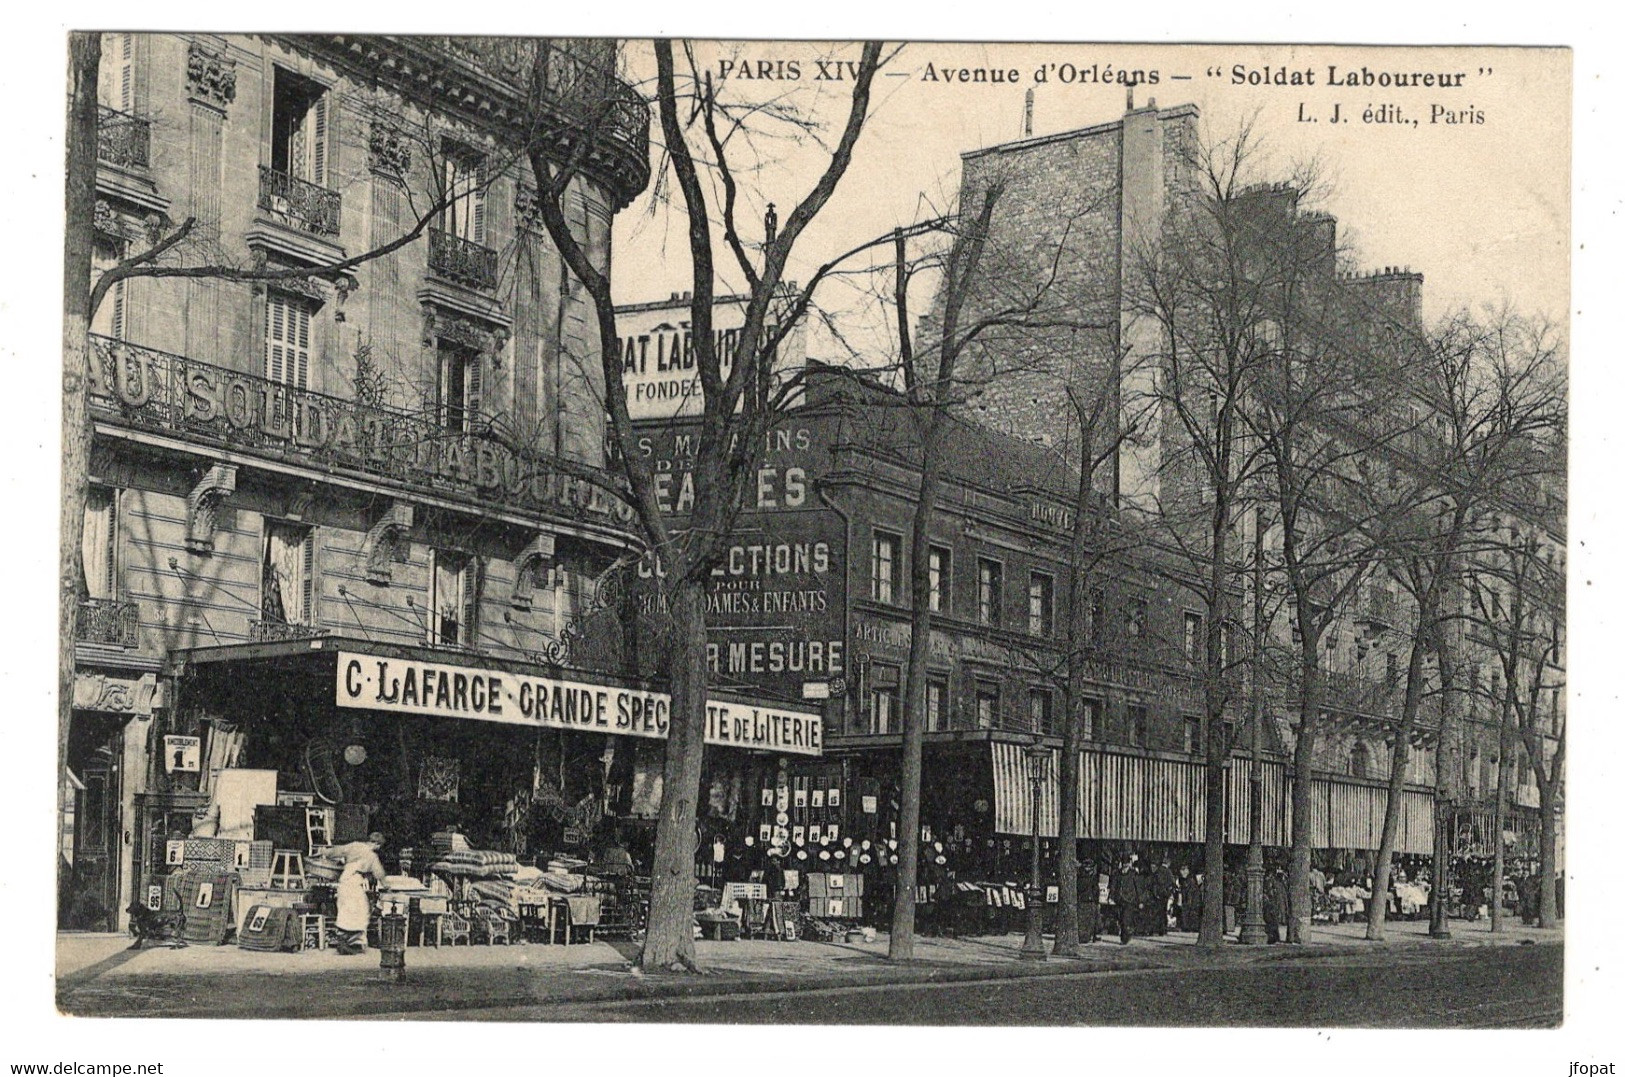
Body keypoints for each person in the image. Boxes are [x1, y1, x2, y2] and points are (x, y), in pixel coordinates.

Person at [333, 832, 386, 955]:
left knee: (346, 911)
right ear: (377, 844)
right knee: (361, 910)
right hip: (353, 882)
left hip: (344, 881)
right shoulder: (371, 855)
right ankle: (344, 941)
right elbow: (379, 873)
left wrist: (324, 851)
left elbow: (337, 851)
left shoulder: (355, 845)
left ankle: (350, 942)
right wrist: (386, 884)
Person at [1111, 857, 1144, 945]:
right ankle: (1124, 936)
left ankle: (1125, 938)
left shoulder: (1133, 874)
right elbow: (1113, 886)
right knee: (1121, 919)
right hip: (1119, 900)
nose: (1125, 865)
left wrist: (1140, 901)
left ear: (1129, 864)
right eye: (1124, 863)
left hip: (1130, 900)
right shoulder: (1117, 874)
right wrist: (1111, 897)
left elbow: (1138, 888)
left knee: (1126, 919)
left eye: (1127, 863)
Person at [1150, 858, 1176, 936]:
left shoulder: (1157, 871)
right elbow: (1172, 882)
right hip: (1164, 894)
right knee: (1162, 911)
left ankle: (1156, 929)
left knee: (1156, 912)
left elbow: (1154, 882)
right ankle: (1162, 929)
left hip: (1157, 894)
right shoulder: (1168, 871)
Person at [1264, 865, 1289, 944]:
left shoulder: (1281, 883)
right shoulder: (1273, 882)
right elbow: (1270, 892)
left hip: (1278, 904)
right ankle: (1273, 937)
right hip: (1274, 904)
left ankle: (1275, 937)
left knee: (1275, 921)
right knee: (1273, 921)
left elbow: (1284, 895)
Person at [1177, 864, 1203, 933]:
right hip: (1188, 899)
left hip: (1191, 899)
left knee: (1191, 912)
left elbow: (1191, 891)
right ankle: (1188, 926)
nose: (1182, 872)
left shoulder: (1190, 879)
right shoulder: (1184, 880)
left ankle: (1191, 927)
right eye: (1181, 870)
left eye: (1184, 870)